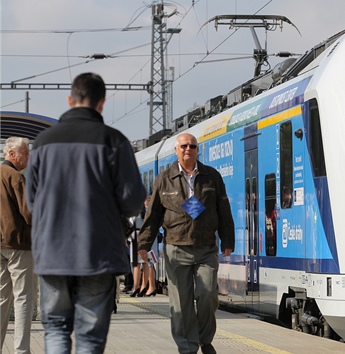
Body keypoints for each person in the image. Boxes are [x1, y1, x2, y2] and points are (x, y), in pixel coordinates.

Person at [26, 72, 146, 354]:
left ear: (70, 100)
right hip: (98, 254)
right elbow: (132, 201)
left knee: (55, 329)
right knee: (90, 337)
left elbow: (31, 202)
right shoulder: (114, 141)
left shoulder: (42, 143)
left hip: (52, 253)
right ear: (101, 103)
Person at [137, 133, 235, 354]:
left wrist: (228, 240)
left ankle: (205, 340)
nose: (188, 149)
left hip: (206, 247)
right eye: (184, 146)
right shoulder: (164, 178)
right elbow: (153, 215)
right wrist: (144, 243)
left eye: (192, 146)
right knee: (181, 303)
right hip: (176, 247)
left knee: (208, 294)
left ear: (198, 149)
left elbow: (223, 211)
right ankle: (187, 347)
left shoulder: (212, 177)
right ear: (176, 149)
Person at [1, 137, 34, 354]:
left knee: (1, 299)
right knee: (23, 299)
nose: (28, 157)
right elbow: (30, 213)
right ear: (12, 154)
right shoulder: (15, 177)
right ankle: (21, 351)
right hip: (18, 246)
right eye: (25, 153)